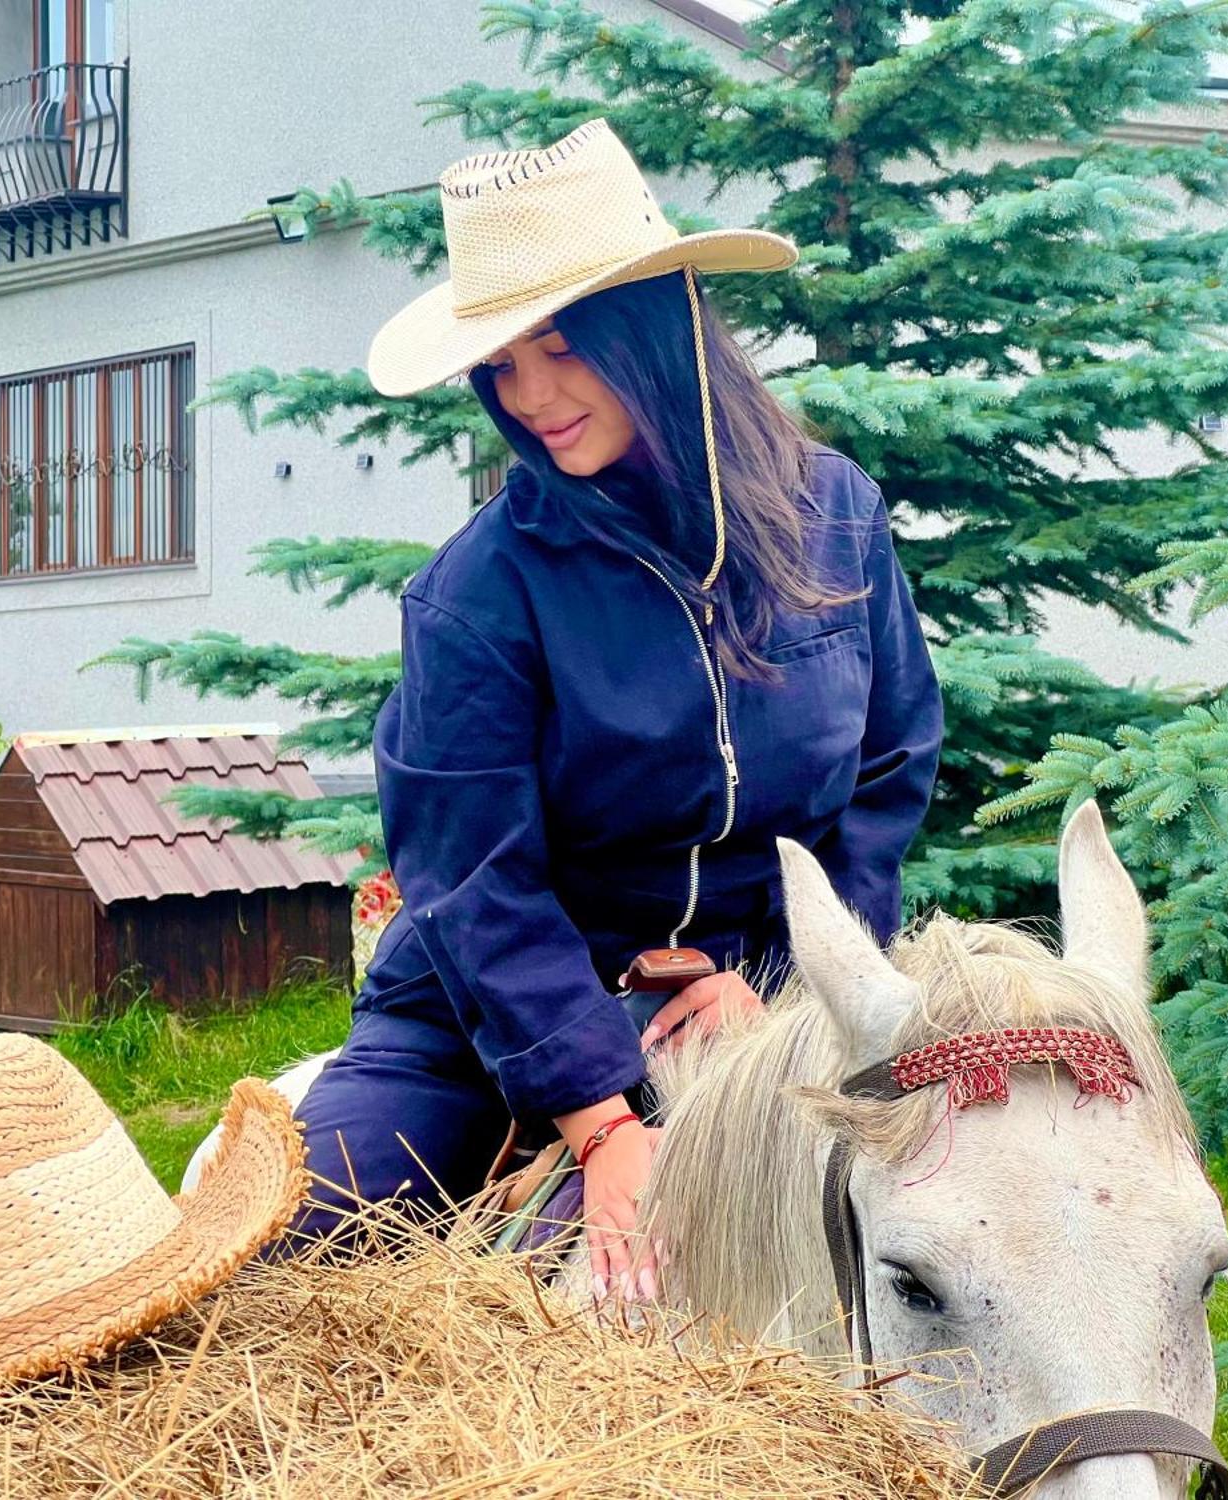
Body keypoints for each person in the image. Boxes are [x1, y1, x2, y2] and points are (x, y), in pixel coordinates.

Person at [287, 120, 943, 1302]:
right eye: (499, 364)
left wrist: (791, 987)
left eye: (557, 349)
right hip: (487, 1023)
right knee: (298, 1240)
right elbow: (470, 875)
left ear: (649, 327)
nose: (528, 397)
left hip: (751, 997)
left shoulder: (834, 516)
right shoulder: (476, 594)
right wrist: (600, 1118)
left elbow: (889, 773)